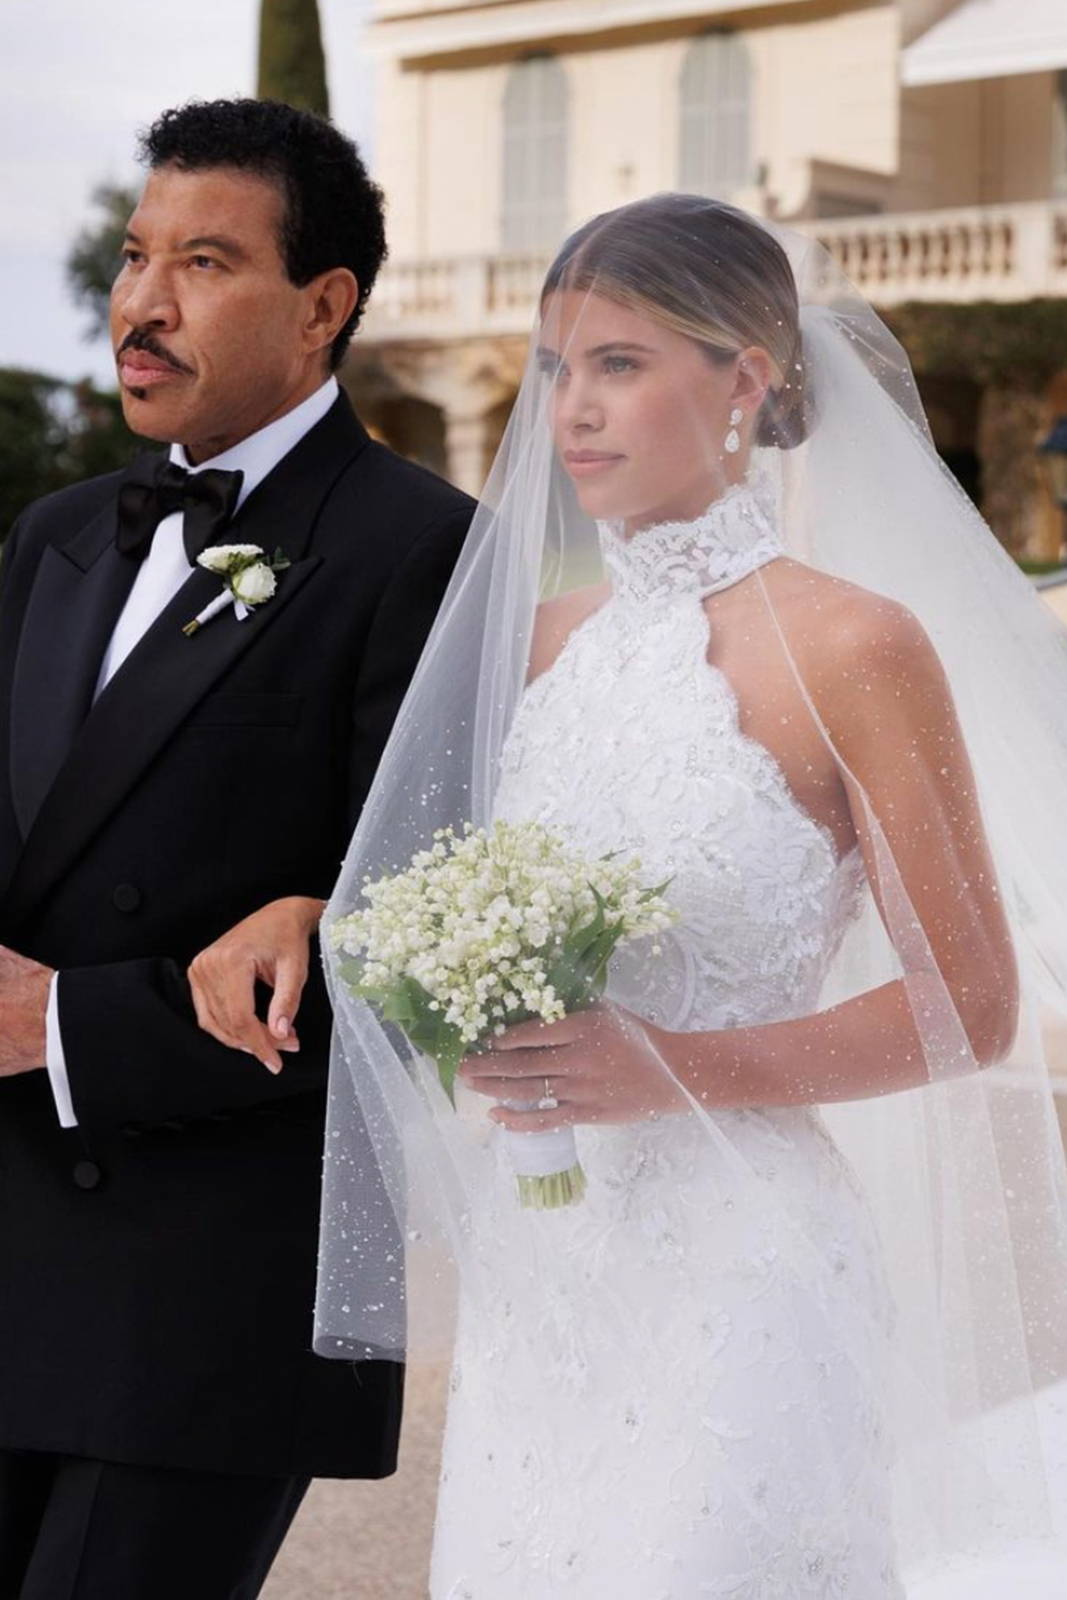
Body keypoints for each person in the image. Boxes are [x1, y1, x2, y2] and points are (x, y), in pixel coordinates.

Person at [190, 196, 1067, 1594]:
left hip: (745, 1277)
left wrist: (673, 1068)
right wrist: (317, 921)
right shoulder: (532, 649)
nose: (572, 411)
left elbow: (970, 1003)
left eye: (620, 363)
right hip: (547, 1284)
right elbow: (426, 900)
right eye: (555, 368)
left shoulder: (856, 647)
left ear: (747, 382)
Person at [0, 97, 472, 1599]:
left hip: (209, 1295)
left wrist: (66, 1023)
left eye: (203, 264)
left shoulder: (430, 553)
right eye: (138, 257)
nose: (141, 304)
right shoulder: (55, 537)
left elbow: (432, 960)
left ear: (323, 305)